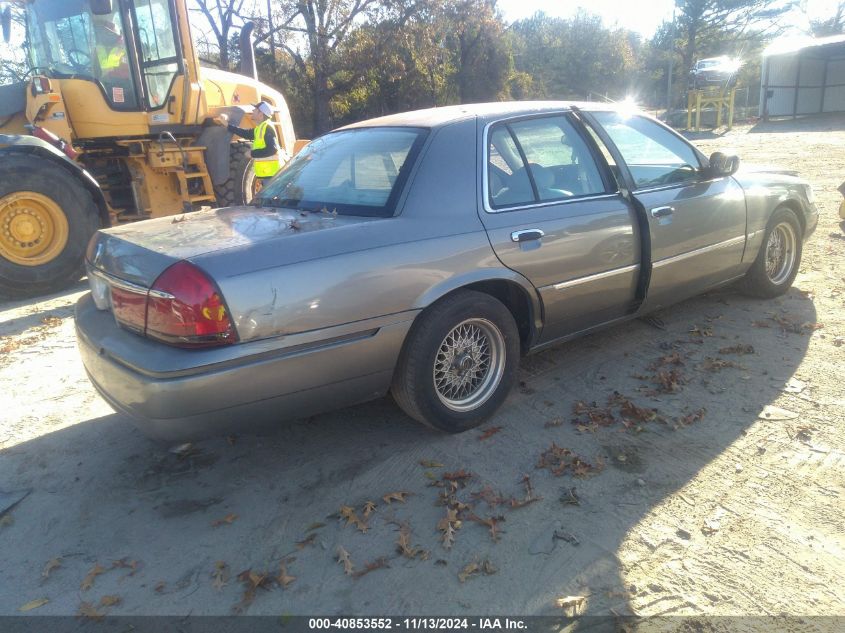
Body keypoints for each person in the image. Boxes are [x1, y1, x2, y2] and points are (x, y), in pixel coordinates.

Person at [217, 102, 283, 185]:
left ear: (260, 114)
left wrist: (252, 153)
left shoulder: (267, 127)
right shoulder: (260, 128)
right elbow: (246, 133)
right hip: (268, 174)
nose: (252, 110)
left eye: (255, 109)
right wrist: (227, 125)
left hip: (271, 175)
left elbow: (272, 149)